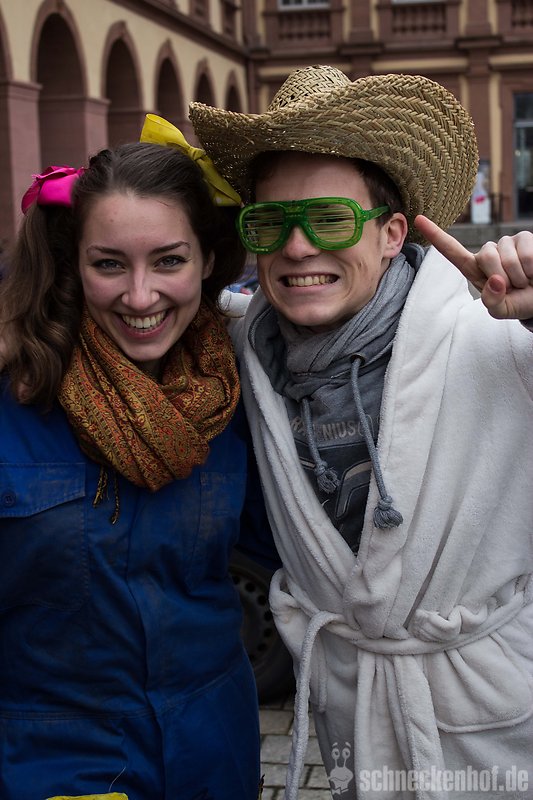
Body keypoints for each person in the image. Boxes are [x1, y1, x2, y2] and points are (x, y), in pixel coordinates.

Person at [186, 66, 533, 798]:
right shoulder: (242, 353)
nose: (298, 247)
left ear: (391, 234)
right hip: (352, 719)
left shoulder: (496, 341)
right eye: (270, 223)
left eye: (331, 219)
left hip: (498, 727)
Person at [0, 141, 271, 800]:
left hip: (213, 753)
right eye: (109, 264)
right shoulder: (15, 394)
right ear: (74, 265)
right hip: (51, 763)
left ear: (207, 261)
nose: (140, 295)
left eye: (169, 260)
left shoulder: (239, 396)